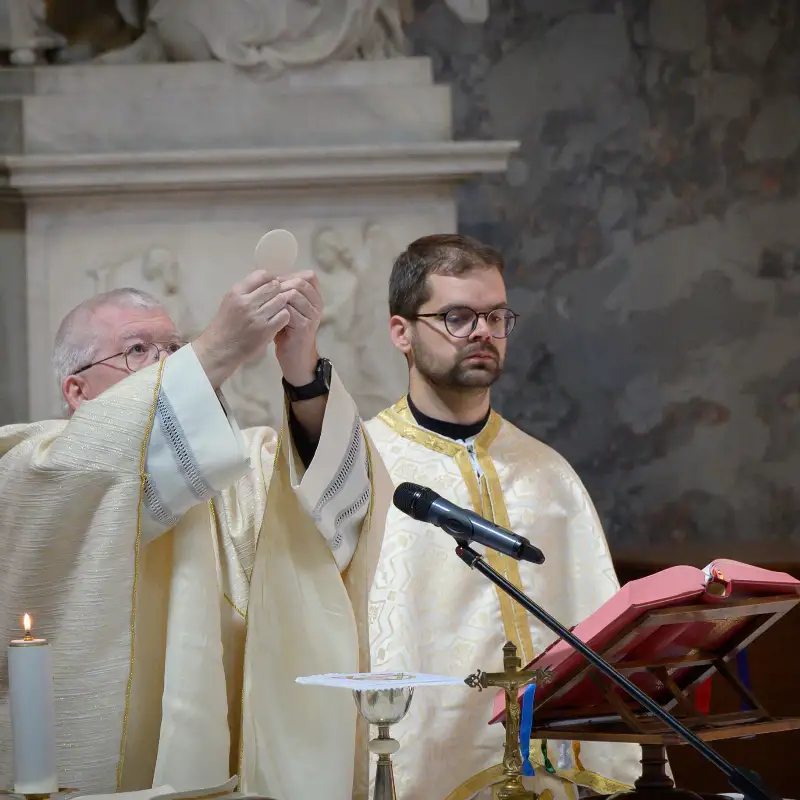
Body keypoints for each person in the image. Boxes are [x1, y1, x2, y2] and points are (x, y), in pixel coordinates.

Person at [0, 269, 391, 800]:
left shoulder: (244, 462)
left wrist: (303, 373)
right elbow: (91, 467)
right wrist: (217, 347)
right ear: (77, 391)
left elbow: (340, 510)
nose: (169, 364)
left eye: (174, 348)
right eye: (138, 350)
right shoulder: (30, 463)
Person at [365, 235, 642, 800]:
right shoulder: (366, 469)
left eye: (495, 316)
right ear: (402, 333)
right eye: (457, 317)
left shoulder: (549, 474)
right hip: (429, 773)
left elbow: (597, 625)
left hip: (550, 776)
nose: (483, 333)